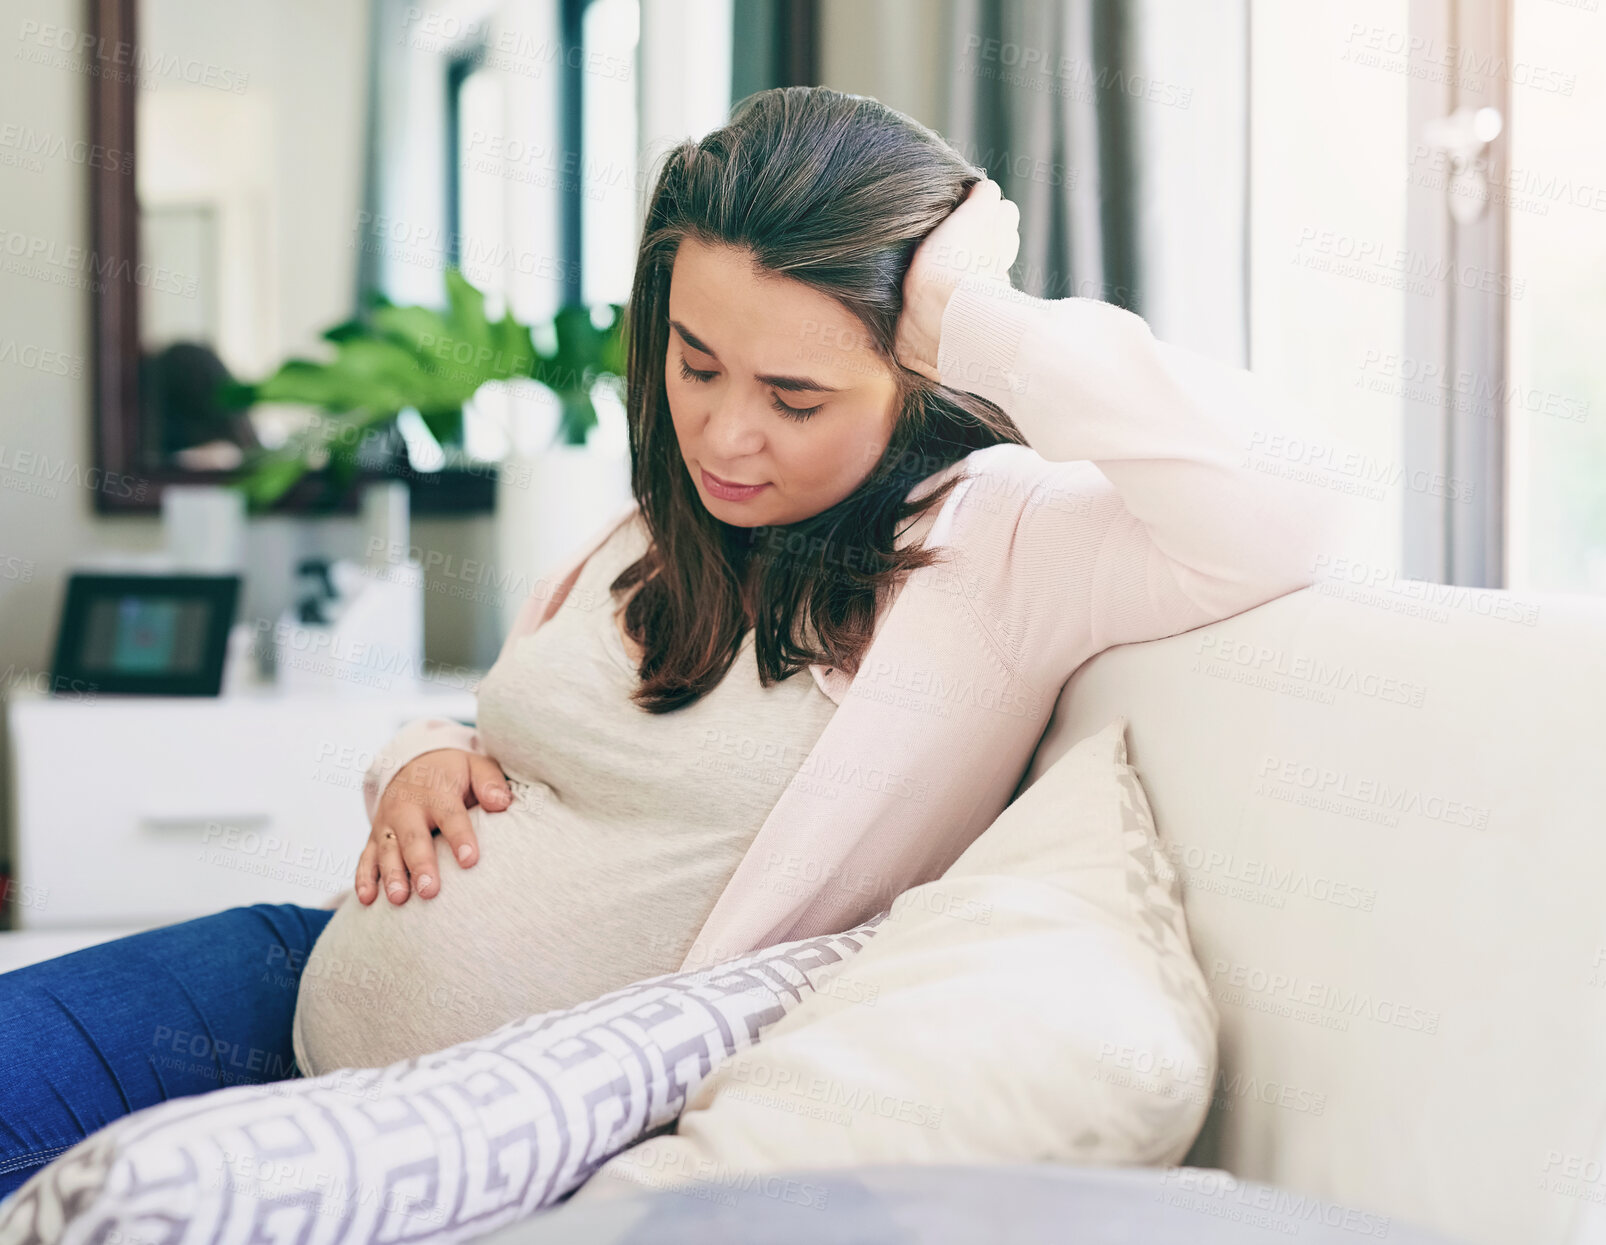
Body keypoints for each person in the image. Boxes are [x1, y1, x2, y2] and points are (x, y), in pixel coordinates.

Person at [0, 85, 1343, 1197]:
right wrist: (419, 754)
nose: (722, 433)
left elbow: (1290, 508)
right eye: (695, 363)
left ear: (918, 370)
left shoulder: (993, 549)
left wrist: (968, 308)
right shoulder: (663, 517)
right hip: (286, 977)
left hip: (448, 1122)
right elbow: (528, 743)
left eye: (793, 393)